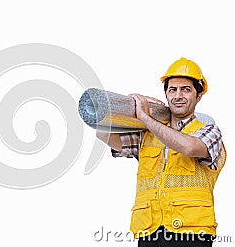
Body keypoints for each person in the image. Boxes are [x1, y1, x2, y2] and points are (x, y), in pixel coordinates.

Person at [96, 57, 226, 247]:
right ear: (166, 95)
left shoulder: (209, 131)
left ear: (198, 96)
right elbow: (103, 133)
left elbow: (189, 147)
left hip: (191, 233)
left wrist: (147, 118)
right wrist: (127, 108)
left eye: (186, 89)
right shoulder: (147, 135)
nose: (178, 95)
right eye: (172, 90)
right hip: (150, 230)